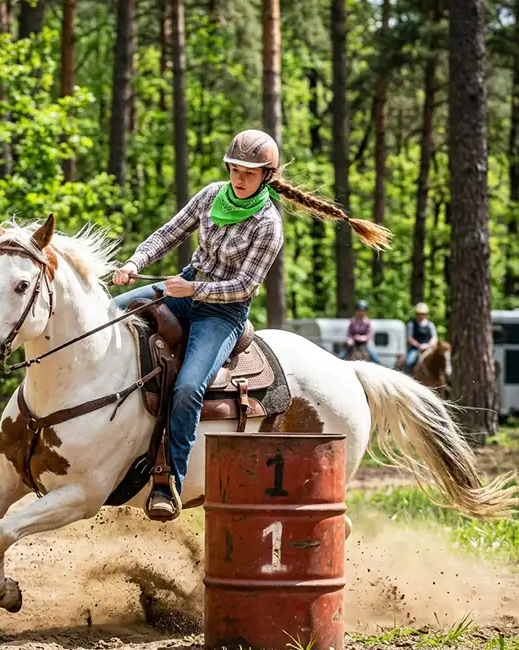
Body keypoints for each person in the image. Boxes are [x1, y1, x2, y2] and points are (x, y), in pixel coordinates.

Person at [112, 129, 391, 520]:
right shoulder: (211, 195)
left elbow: (244, 286)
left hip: (222, 312)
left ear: (267, 176)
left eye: (249, 172)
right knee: (109, 314)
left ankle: (168, 481)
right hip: (184, 289)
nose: (239, 178)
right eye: (234, 169)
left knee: (191, 386)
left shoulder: (268, 224)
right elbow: (168, 234)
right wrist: (134, 263)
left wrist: (194, 287)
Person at [405, 302, 437, 373]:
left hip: (428, 348)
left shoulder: (430, 325)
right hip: (416, 348)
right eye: (419, 314)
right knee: (409, 362)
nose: (421, 316)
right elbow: (409, 338)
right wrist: (419, 345)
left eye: (423, 314)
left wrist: (428, 345)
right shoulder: (411, 324)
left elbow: (434, 338)